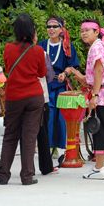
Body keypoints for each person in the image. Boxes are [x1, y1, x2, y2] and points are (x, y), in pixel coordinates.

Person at [63, 19, 104, 180]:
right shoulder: (103, 45)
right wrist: (75, 72)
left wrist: (94, 95)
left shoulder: (96, 47)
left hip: (101, 94)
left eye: (88, 30)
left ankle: (98, 168)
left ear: (96, 32)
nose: (84, 33)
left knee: (100, 132)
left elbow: (98, 71)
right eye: (82, 30)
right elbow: (92, 75)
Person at [0, 13, 46, 185]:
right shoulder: (38, 50)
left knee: (10, 136)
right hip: (33, 96)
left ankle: (3, 175)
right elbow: (41, 73)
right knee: (29, 136)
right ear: (32, 31)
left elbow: (8, 68)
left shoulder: (8, 48)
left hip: (14, 96)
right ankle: (27, 175)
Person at [39, 16, 80, 159]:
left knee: (60, 116)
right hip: (45, 85)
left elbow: (73, 65)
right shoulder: (42, 45)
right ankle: (48, 146)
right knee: (47, 116)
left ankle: (60, 146)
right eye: (48, 27)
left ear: (61, 28)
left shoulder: (67, 45)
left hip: (61, 85)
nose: (51, 29)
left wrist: (65, 72)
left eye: (54, 26)